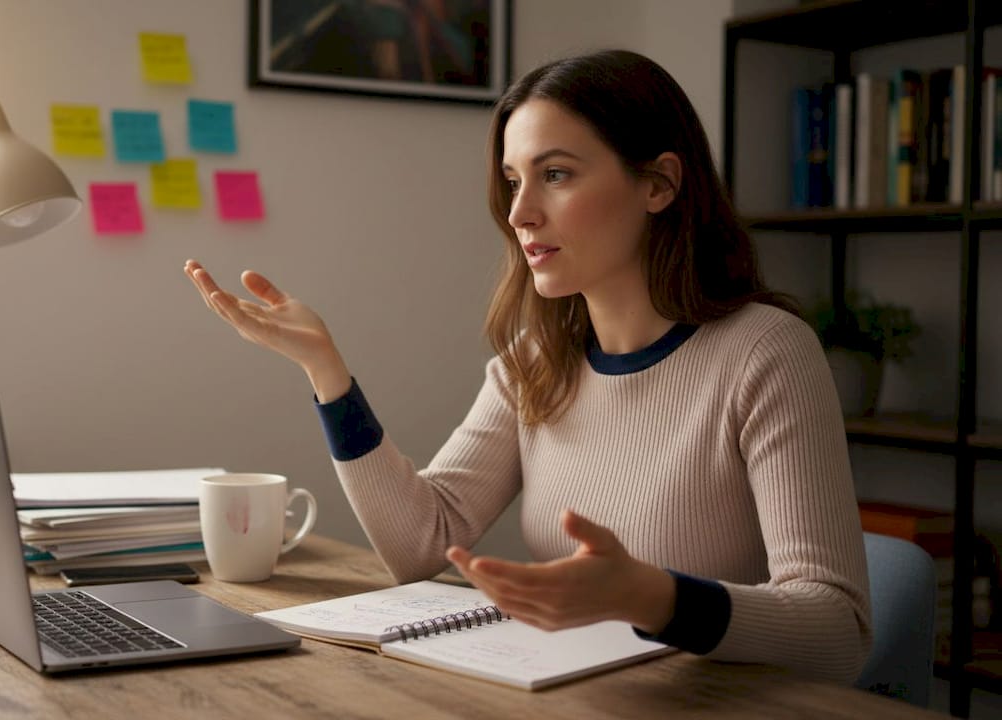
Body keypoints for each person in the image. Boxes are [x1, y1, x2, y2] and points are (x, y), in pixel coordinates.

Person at [183, 49, 871, 683]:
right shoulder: (535, 363)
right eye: (513, 180)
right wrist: (326, 373)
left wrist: (653, 596)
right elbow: (424, 543)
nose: (519, 212)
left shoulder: (765, 352)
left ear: (659, 183)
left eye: (556, 175)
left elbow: (839, 628)